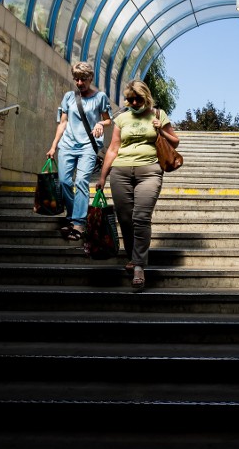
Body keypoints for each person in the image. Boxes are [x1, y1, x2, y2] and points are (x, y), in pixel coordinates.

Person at [96, 79, 180, 291]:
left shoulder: (158, 114)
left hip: (150, 171)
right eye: (130, 99)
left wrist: (160, 130)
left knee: (141, 217)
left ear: (146, 97)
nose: (133, 103)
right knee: (125, 217)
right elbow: (113, 149)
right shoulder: (121, 118)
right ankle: (133, 257)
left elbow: (175, 141)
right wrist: (103, 176)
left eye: (137, 99)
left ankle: (139, 266)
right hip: (120, 171)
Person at [47, 62, 112, 241]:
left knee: (82, 181)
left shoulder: (100, 98)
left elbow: (108, 121)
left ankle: (78, 223)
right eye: (76, 79)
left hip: (88, 147)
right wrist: (54, 145)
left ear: (90, 78)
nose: (79, 83)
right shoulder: (69, 97)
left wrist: (100, 123)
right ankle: (71, 216)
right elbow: (63, 123)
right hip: (67, 145)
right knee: (64, 181)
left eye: (83, 79)